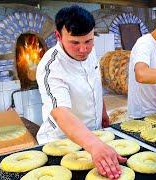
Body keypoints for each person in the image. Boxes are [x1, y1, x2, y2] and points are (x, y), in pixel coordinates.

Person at [36, 5, 125, 179]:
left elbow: (94, 83)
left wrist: (102, 112)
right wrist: (94, 145)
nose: (83, 49)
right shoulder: (51, 67)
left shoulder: (88, 53)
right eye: (75, 43)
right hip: (62, 142)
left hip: (93, 137)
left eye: (88, 41)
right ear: (58, 36)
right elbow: (61, 113)